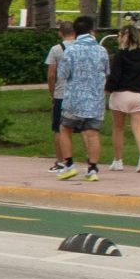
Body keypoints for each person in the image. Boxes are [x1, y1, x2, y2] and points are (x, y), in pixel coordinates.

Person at [56, 17, 111, 180]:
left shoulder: (70, 50)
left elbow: (62, 74)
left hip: (74, 99)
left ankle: (69, 165)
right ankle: (92, 169)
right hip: (95, 100)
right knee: (92, 133)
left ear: (75, 31)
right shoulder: (101, 50)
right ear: (92, 30)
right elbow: (107, 71)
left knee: (65, 129)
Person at [107, 22, 140, 170]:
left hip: (121, 95)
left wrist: (107, 89)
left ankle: (118, 161)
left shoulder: (120, 55)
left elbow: (115, 77)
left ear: (123, 37)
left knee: (118, 128)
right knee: (138, 127)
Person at [46, 21, 77, 173]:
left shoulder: (56, 49)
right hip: (79, 94)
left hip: (61, 93)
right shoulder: (82, 48)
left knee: (59, 129)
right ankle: (91, 162)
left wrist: (52, 92)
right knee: (87, 129)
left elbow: (51, 75)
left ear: (60, 32)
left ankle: (61, 161)